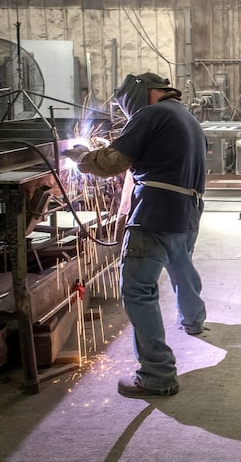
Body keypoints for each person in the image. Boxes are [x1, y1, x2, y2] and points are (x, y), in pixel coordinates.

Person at [63, 72, 207, 398]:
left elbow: (111, 162)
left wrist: (83, 157)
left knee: (138, 291)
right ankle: (194, 319)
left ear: (141, 94)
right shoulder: (186, 117)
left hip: (153, 216)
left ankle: (157, 374)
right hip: (186, 214)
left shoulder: (149, 114)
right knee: (181, 267)